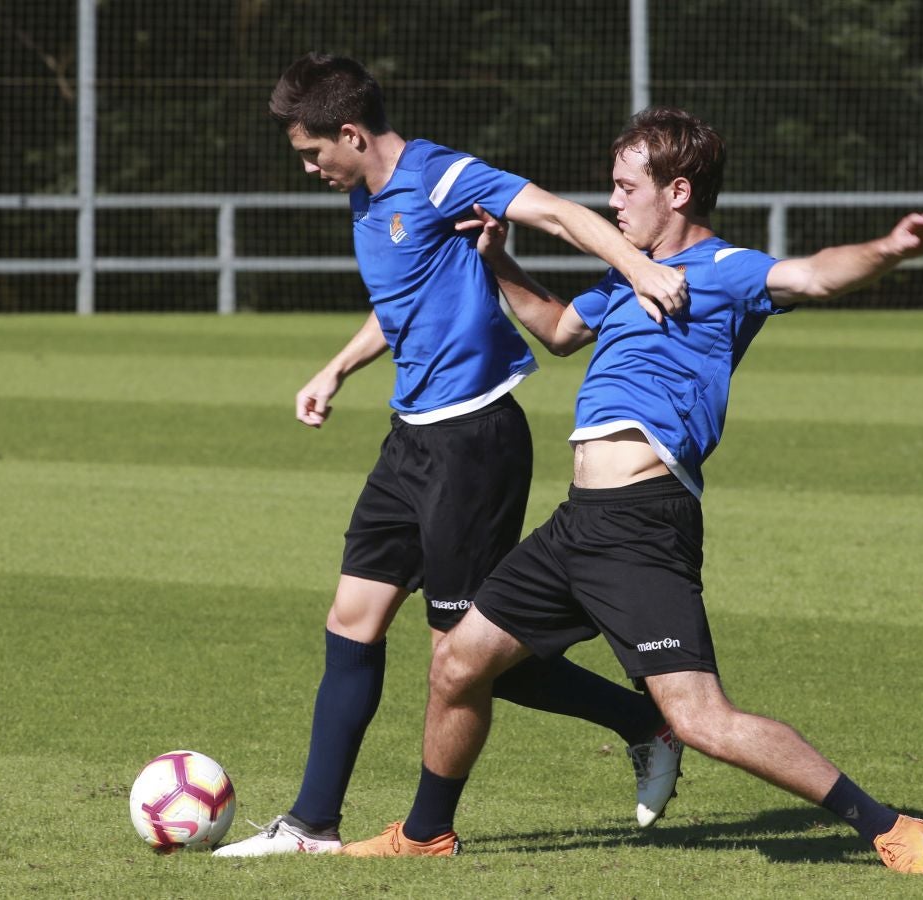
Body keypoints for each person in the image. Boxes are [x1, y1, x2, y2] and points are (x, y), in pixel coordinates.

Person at [337, 107, 923, 875]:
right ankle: (426, 832)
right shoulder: (627, 274)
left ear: (679, 191)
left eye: (627, 188)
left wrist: (892, 249)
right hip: (576, 525)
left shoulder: (723, 270)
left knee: (699, 718)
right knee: (457, 663)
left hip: (640, 526)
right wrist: (498, 260)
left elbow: (813, 275)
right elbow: (559, 331)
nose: (613, 202)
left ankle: (887, 823)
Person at [214, 56, 691, 859]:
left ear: (351, 134)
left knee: (461, 653)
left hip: (473, 443)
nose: (309, 168)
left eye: (312, 152)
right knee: (351, 621)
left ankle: (636, 724)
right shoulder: (367, 199)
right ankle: (311, 826)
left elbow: (556, 214)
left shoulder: (438, 175)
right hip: (410, 440)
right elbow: (400, 302)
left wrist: (640, 267)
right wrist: (336, 369)